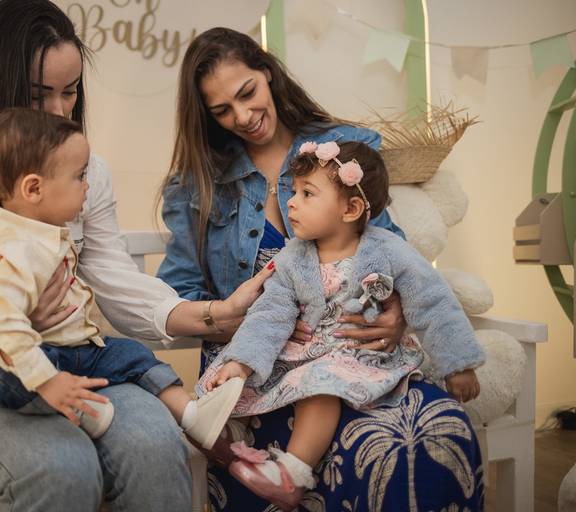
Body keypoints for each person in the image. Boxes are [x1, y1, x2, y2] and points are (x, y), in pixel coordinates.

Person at [0, 4, 270, 510]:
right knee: (60, 465)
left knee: (154, 444)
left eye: (71, 91)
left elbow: (113, 277)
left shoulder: (84, 170)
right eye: (40, 95)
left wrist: (212, 314)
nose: (59, 111)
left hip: (65, 349)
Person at [157, 26, 485, 511]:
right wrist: (230, 318)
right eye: (222, 110)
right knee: (373, 446)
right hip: (255, 363)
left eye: (247, 93)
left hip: (358, 351)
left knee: (438, 427)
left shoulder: (339, 151)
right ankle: (287, 473)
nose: (242, 116)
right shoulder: (198, 183)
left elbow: (397, 257)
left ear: (268, 73)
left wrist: (395, 311)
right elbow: (176, 294)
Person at [198, 140, 485, 510]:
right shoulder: (293, 258)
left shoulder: (389, 250)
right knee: (233, 375)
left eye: (306, 194)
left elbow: (431, 300)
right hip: (307, 352)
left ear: (350, 209)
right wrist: (241, 362)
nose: (291, 202)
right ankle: (231, 436)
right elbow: (269, 315)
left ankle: (291, 475)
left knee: (320, 385)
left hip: (360, 354)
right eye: (293, 192)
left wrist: (458, 364)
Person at [0, 107, 245, 448]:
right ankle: (72, 405)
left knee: (130, 352)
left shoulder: (46, 233)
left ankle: (191, 414)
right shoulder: (15, 250)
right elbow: (1, 324)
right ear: (34, 188)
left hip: (69, 348)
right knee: (11, 378)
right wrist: (48, 380)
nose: (87, 185)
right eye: (78, 176)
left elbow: (113, 276)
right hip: (6, 357)